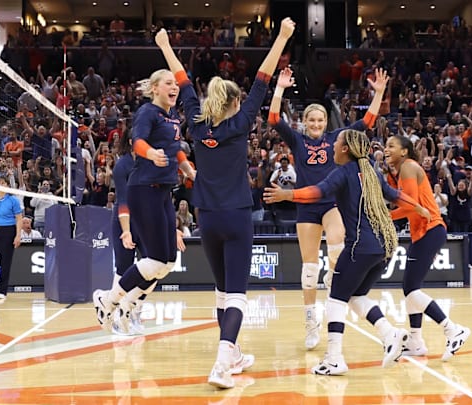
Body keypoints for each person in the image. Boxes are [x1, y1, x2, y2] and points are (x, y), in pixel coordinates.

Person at [159, 19, 295, 388]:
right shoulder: (241, 122)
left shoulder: (197, 125)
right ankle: (221, 363)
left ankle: (232, 354)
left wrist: (164, 45)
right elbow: (263, 79)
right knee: (237, 293)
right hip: (235, 215)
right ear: (235, 103)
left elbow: (183, 81)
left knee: (221, 291)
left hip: (206, 217)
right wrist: (282, 37)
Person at [264, 129, 430, 375]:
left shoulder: (342, 173)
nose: (331, 147)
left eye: (336, 144)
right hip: (383, 248)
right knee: (356, 296)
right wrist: (419, 207)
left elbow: (317, 192)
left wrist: (287, 194)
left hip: (358, 247)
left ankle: (334, 358)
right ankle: (390, 333)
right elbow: (395, 195)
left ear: (345, 149)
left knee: (335, 299)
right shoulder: (372, 171)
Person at [268, 66, 388, 350]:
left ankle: (334, 282)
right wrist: (280, 88)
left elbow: (368, 122)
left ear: (326, 121)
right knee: (308, 269)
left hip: (331, 204)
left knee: (338, 248)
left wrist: (379, 92)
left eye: (320, 119)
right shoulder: (297, 139)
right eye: (311, 119)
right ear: (304, 121)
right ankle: (311, 324)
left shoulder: (338, 137)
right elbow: (273, 118)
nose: (316, 123)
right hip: (306, 208)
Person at [93, 41, 196, 335]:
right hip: (144, 189)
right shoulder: (148, 112)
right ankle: (108, 300)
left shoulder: (172, 116)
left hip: (164, 191)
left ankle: (126, 305)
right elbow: (139, 141)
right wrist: (149, 153)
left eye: (175, 83)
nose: (174, 86)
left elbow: (174, 147)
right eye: (168, 83)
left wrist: (185, 165)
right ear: (155, 88)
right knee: (155, 260)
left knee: (167, 262)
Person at [384, 135, 471, 361]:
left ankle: (453, 329)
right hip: (423, 233)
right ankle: (415, 342)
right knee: (409, 288)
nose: (386, 149)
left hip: (430, 229)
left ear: (404, 151)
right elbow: (405, 202)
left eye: (391, 146)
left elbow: (411, 206)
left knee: (411, 289)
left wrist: (385, 216)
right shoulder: (402, 171)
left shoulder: (408, 167)